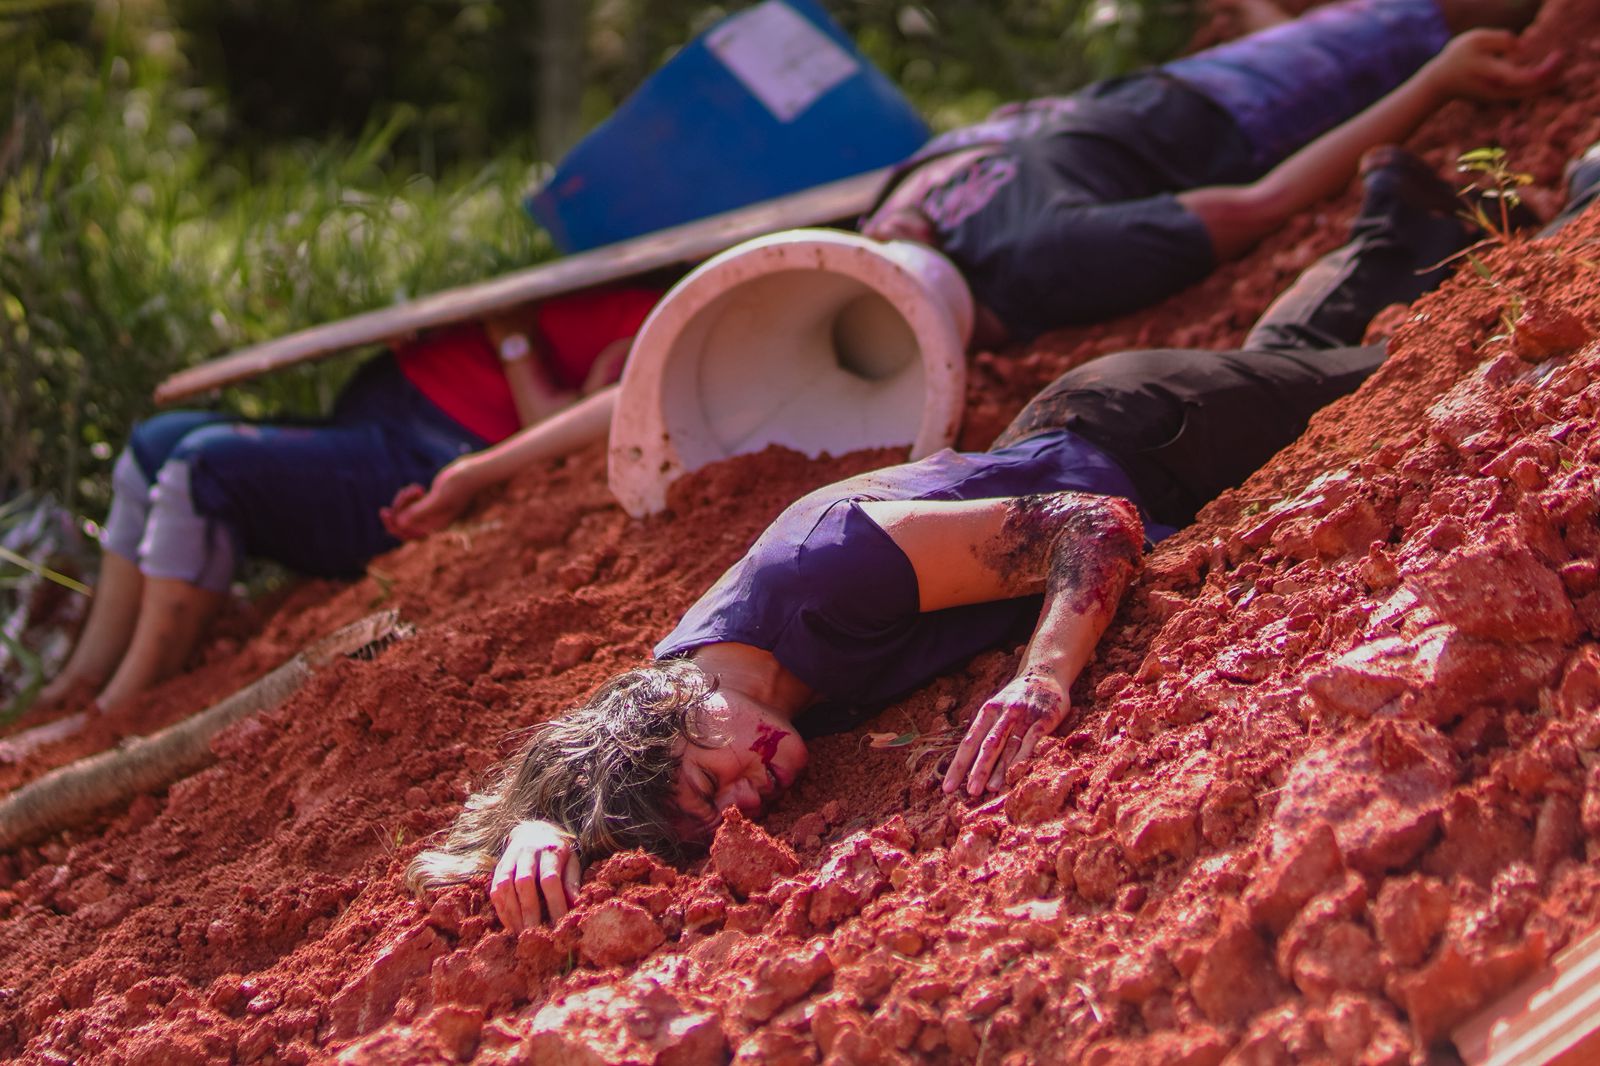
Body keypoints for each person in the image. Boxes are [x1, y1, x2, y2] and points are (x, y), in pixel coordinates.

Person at [411, 136, 1600, 932]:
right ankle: (1398, 210)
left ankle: (1583, 206)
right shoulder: (708, 675)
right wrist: (536, 826)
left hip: (1145, 439)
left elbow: (1093, 526)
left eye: (705, 784)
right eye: (711, 822)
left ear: (673, 719)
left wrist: (1042, 679)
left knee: (1421, 366)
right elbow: (583, 752)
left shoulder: (825, 571)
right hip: (1087, 433)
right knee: (1297, 364)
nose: (740, 809)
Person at [34, 285, 663, 715]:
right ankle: (80, 678)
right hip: (378, 417)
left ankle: (121, 704)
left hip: (426, 457)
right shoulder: (613, 272)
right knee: (154, 443)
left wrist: (513, 342)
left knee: (203, 468)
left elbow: (577, 424)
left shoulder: (663, 317)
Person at [860, 0, 1559, 346]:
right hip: (1228, 106)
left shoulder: (898, 214)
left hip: (1189, 95)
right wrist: (1435, 82)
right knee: (1415, 19)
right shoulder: (1040, 257)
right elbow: (1260, 203)